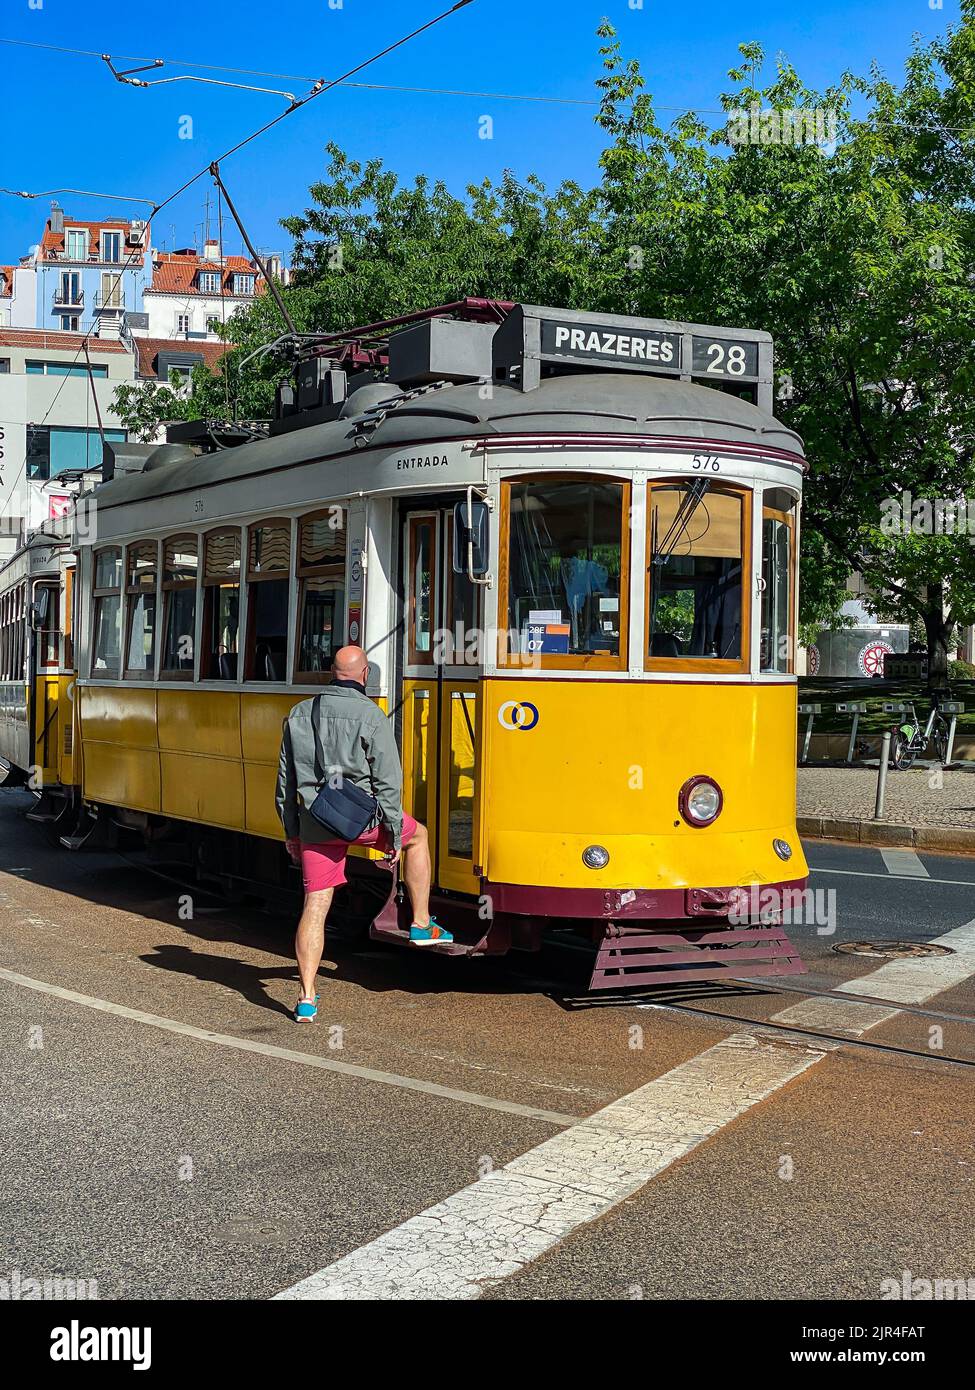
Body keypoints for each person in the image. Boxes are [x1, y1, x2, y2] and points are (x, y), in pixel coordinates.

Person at [275, 645, 452, 1022]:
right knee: (418, 835)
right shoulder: (371, 715)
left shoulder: (299, 714)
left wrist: (292, 832)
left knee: (315, 906)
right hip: (363, 821)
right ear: (365, 675)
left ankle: (306, 998)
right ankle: (421, 924)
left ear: (332, 673)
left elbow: (284, 785)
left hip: (317, 823)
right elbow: (389, 781)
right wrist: (392, 833)